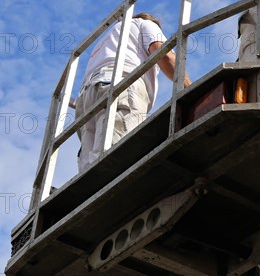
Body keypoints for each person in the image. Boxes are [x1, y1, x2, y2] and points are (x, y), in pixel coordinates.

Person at [75, 12, 191, 172]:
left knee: (89, 165)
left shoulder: (109, 37)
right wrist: (188, 86)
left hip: (87, 96)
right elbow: (163, 54)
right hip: (119, 85)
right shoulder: (145, 25)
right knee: (115, 155)